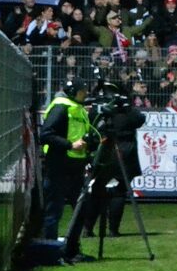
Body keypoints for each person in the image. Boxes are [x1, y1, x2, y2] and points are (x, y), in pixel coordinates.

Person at [63, 86, 146, 260]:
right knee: (119, 190)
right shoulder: (127, 113)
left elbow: (92, 122)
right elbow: (139, 119)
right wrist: (126, 107)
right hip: (123, 151)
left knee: (96, 189)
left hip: (105, 150)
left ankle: (88, 228)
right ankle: (113, 229)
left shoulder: (98, 113)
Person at [38, 78, 91, 246]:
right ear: (75, 92)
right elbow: (45, 135)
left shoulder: (79, 109)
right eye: (83, 91)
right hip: (58, 165)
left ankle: (72, 248)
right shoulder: (61, 108)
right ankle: (50, 249)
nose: (86, 94)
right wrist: (70, 145)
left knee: (79, 209)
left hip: (75, 165)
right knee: (54, 210)